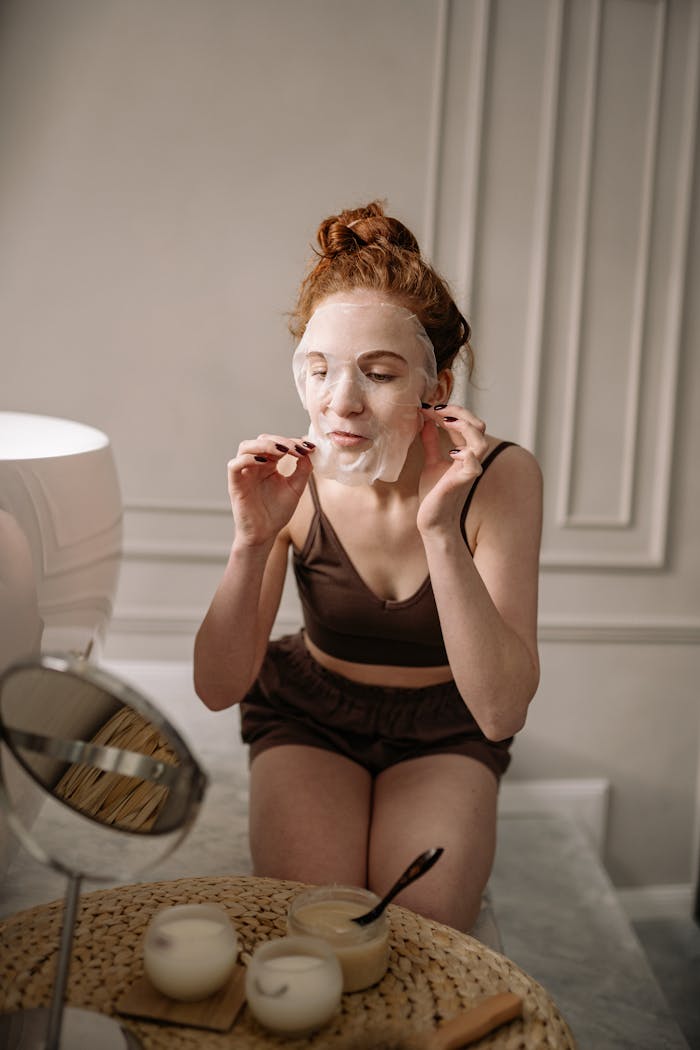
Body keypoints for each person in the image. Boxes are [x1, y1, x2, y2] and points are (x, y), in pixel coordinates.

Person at [194, 200, 542, 932]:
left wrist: (440, 528)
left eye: (379, 374)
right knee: (315, 923)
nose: (340, 403)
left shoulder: (502, 479)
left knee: (422, 929)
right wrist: (250, 540)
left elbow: (501, 710)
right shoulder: (287, 480)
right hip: (311, 714)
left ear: (436, 387)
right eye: (318, 371)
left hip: (449, 727)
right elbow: (218, 688)